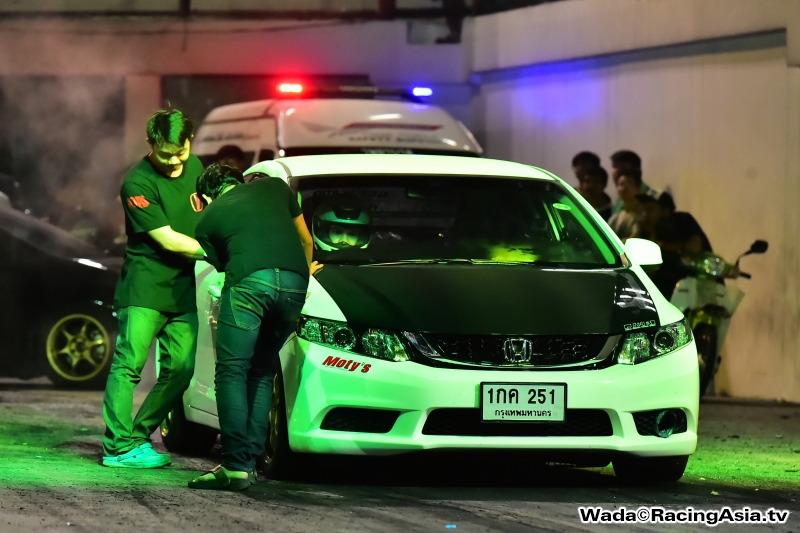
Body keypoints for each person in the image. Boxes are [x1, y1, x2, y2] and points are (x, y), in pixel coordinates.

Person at [189, 164, 321, 490]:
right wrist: (299, 281)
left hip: (250, 285)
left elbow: (227, 264)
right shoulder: (276, 187)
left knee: (232, 370)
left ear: (205, 196)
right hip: (294, 285)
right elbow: (306, 240)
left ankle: (235, 465)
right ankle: (249, 465)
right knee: (261, 370)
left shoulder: (207, 218)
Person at [102, 108, 206, 468]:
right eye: (165, 154)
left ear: (190, 141)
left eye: (181, 152)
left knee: (181, 367)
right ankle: (117, 448)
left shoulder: (196, 168)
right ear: (151, 145)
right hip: (145, 286)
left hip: (181, 289)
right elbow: (170, 240)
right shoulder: (136, 182)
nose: (175, 162)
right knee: (128, 366)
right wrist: (221, 252)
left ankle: (136, 437)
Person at [610, 150, 660, 215]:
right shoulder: (619, 199)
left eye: (622, 167)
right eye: (614, 166)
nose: (616, 171)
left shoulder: (651, 195)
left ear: (636, 170)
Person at [607, 169, 644, 240]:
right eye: (621, 184)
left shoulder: (643, 215)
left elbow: (635, 237)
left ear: (638, 188)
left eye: (628, 184)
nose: (623, 188)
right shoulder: (615, 218)